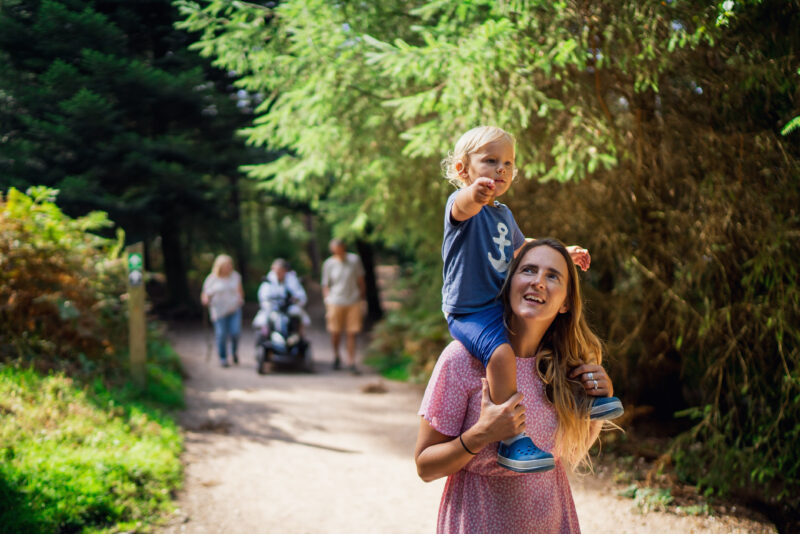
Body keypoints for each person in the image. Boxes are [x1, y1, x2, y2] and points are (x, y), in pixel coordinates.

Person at [440, 126, 622, 473]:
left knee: (548, 341)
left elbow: (523, 249)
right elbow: (461, 208)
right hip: (468, 311)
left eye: (508, 163)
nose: (501, 170)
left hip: (494, 306)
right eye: (490, 161)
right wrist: (474, 195)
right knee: (502, 353)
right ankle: (512, 438)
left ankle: (586, 399)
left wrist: (563, 253)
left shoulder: (504, 215)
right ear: (463, 170)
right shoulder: (463, 205)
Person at [416, 238, 616, 533]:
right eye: (528, 270)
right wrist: (480, 435)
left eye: (552, 275)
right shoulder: (461, 359)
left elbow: (570, 451)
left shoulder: (567, 365)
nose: (538, 282)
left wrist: (600, 398)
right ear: (509, 284)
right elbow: (425, 466)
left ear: (567, 303)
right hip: (477, 521)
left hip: (551, 519)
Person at [321, 239, 366, 373]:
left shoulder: (354, 260)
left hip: (353, 301)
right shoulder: (329, 264)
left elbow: (361, 280)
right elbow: (325, 285)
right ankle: (336, 357)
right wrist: (327, 301)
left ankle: (351, 361)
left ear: (344, 248)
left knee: (351, 333)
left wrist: (362, 300)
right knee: (335, 332)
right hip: (335, 301)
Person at [201, 254, 244, 367]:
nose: (229, 267)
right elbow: (205, 294)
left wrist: (240, 300)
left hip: (234, 309)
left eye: (230, 265)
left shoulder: (235, 276)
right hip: (219, 311)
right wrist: (206, 300)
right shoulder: (212, 279)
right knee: (221, 334)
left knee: (235, 333)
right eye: (226, 265)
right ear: (220, 266)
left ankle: (234, 352)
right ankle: (223, 357)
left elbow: (240, 291)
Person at [253, 258, 310, 338]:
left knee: (297, 314)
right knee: (262, 320)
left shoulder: (291, 279)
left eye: (281, 271)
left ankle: (298, 335)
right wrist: (268, 303)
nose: (278, 273)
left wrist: (295, 299)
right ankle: (265, 336)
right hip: (273, 308)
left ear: (285, 270)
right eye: (276, 270)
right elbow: (263, 296)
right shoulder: (268, 280)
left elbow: (300, 295)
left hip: (288, 308)